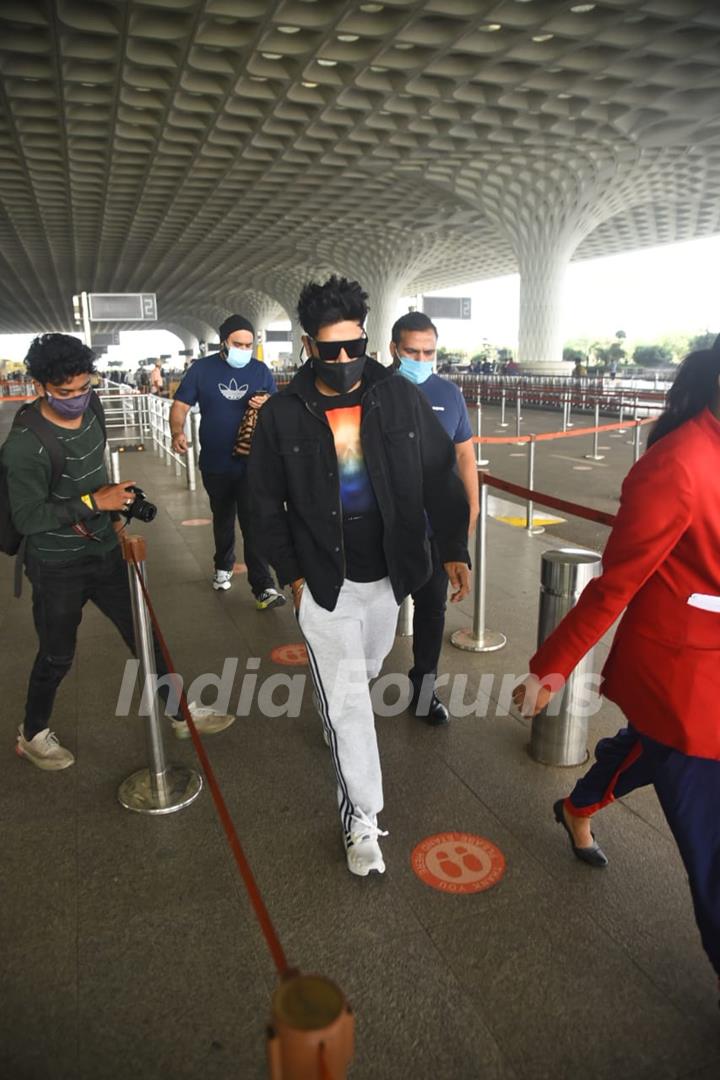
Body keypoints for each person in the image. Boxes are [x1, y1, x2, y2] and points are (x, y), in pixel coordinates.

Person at [513, 346, 720, 992]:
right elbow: (615, 585)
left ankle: (577, 804)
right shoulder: (681, 464)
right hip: (684, 680)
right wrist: (550, 669)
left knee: (644, 751)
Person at [249, 276, 471, 877]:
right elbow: (263, 505)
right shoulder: (283, 415)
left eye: (355, 346)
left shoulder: (398, 397)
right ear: (306, 345)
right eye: (330, 350)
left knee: (369, 669)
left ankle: (333, 700)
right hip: (324, 582)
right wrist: (292, 576)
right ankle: (362, 821)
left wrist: (455, 547)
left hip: (389, 577)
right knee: (352, 708)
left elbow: (439, 475)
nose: (344, 360)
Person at [2, 334, 234, 770]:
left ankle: (180, 712)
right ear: (38, 387)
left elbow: (95, 473)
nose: (75, 399)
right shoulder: (23, 446)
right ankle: (32, 733)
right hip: (56, 565)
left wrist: (112, 519)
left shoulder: (92, 408)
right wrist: (96, 503)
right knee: (56, 654)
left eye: (83, 387)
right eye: (63, 393)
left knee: (145, 633)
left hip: (104, 549)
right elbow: (28, 518)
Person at [390, 311, 479, 724]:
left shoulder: (450, 392)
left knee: (431, 611)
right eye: (413, 351)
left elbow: (463, 453)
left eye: (429, 352)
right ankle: (350, 697)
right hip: (384, 531)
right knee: (373, 614)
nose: (422, 359)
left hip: (434, 529)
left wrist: (471, 507)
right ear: (395, 350)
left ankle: (424, 692)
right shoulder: (377, 390)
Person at [170, 315, 285, 609]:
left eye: (249, 344)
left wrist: (269, 404)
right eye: (238, 344)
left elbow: (279, 409)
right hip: (215, 461)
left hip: (252, 462)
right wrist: (176, 432)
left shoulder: (260, 370)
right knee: (222, 517)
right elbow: (181, 404)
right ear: (224, 342)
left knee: (253, 521)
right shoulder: (202, 369)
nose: (244, 349)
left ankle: (263, 586)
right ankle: (223, 565)